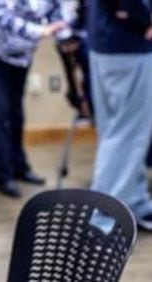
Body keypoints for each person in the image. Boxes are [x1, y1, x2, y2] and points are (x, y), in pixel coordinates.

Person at [0, 0, 68, 198]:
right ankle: (3, 175)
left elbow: (55, 12)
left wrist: (63, 32)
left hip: (21, 53)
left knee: (16, 111)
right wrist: (40, 31)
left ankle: (20, 167)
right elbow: (0, 16)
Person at [87, 0, 152, 230]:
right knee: (127, 136)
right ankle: (103, 219)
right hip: (129, 45)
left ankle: (135, 201)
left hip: (107, 41)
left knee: (115, 132)